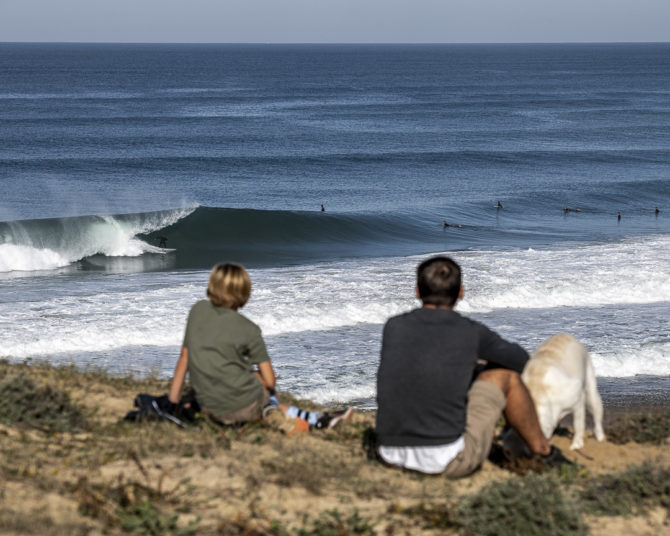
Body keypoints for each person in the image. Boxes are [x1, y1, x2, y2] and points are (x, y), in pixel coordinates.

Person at [375, 256, 568, 478]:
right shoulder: (470, 332)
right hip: (446, 461)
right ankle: (544, 451)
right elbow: (521, 361)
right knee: (506, 377)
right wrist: (477, 365)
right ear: (461, 293)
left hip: (388, 452)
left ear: (417, 291)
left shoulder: (394, 327)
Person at [168, 263, 351, 430]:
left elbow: (184, 357)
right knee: (266, 390)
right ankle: (309, 419)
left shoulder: (198, 310)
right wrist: (254, 375)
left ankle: (314, 418)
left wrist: (172, 404)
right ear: (245, 293)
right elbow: (270, 381)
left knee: (241, 381)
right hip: (242, 408)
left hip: (206, 405)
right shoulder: (249, 329)